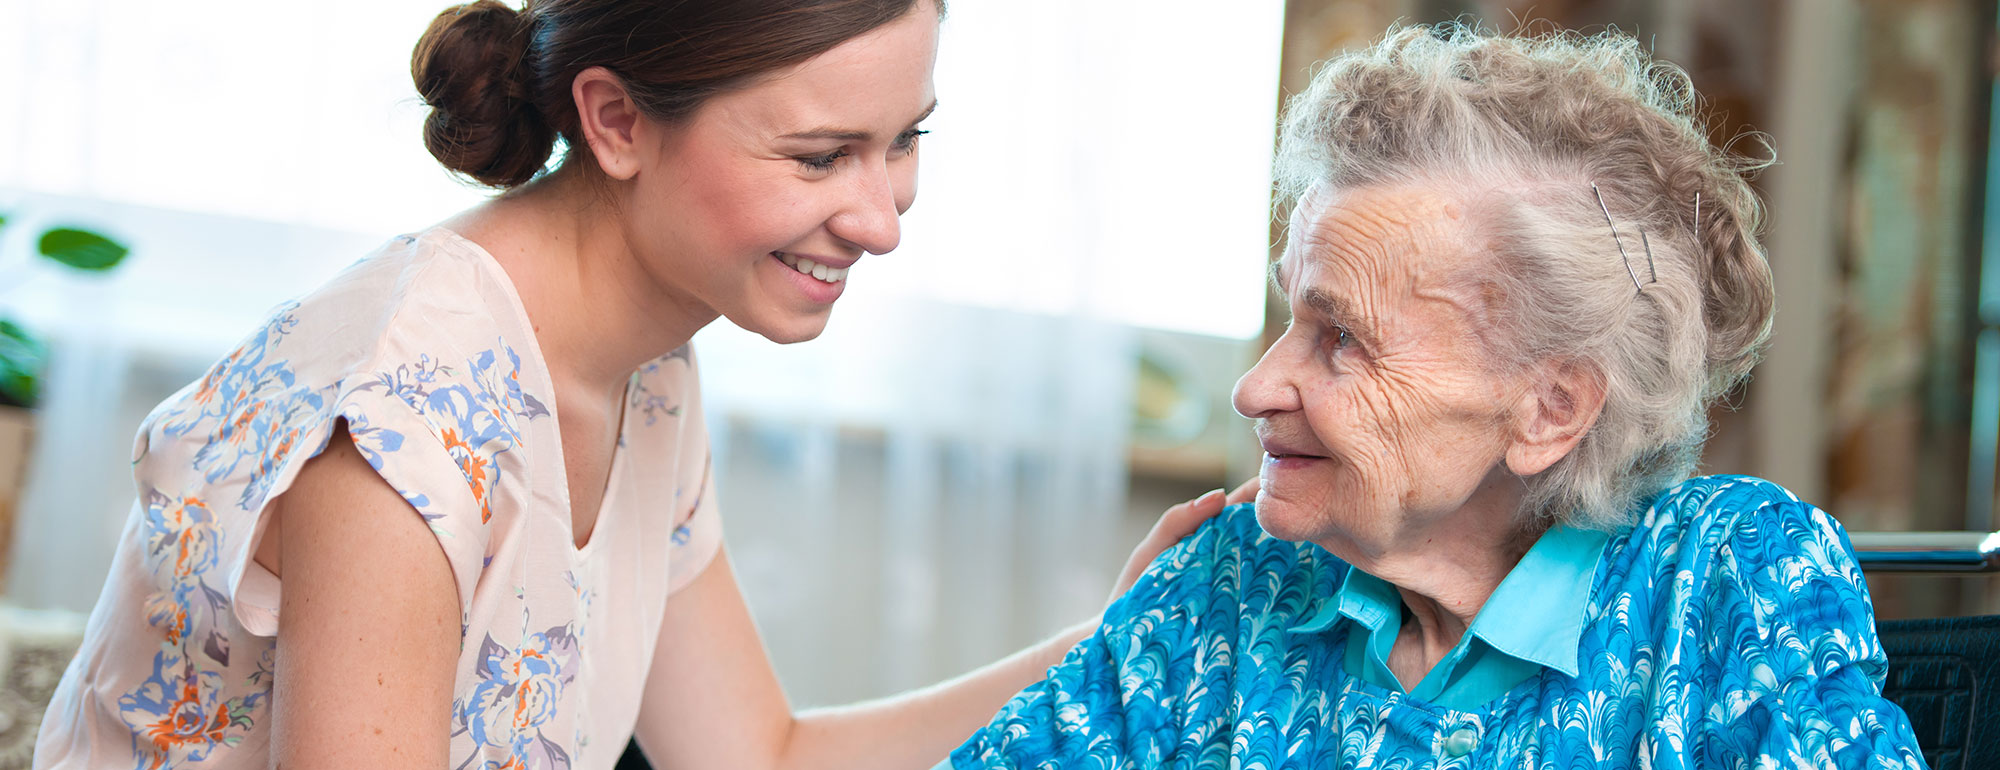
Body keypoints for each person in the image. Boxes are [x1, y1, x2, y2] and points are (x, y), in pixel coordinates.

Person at [34, 2, 1250, 768]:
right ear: (614, 120)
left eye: (905, 140)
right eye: (820, 154)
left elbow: (759, 753)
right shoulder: (401, 422)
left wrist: (1113, 643)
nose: (880, 219)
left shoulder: (645, 368)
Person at [946, 24, 1928, 769]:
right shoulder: (1240, 576)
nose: (1255, 387)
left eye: (1342, 340)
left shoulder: (1724, 578)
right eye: (1290, 317)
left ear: (1549, 408)